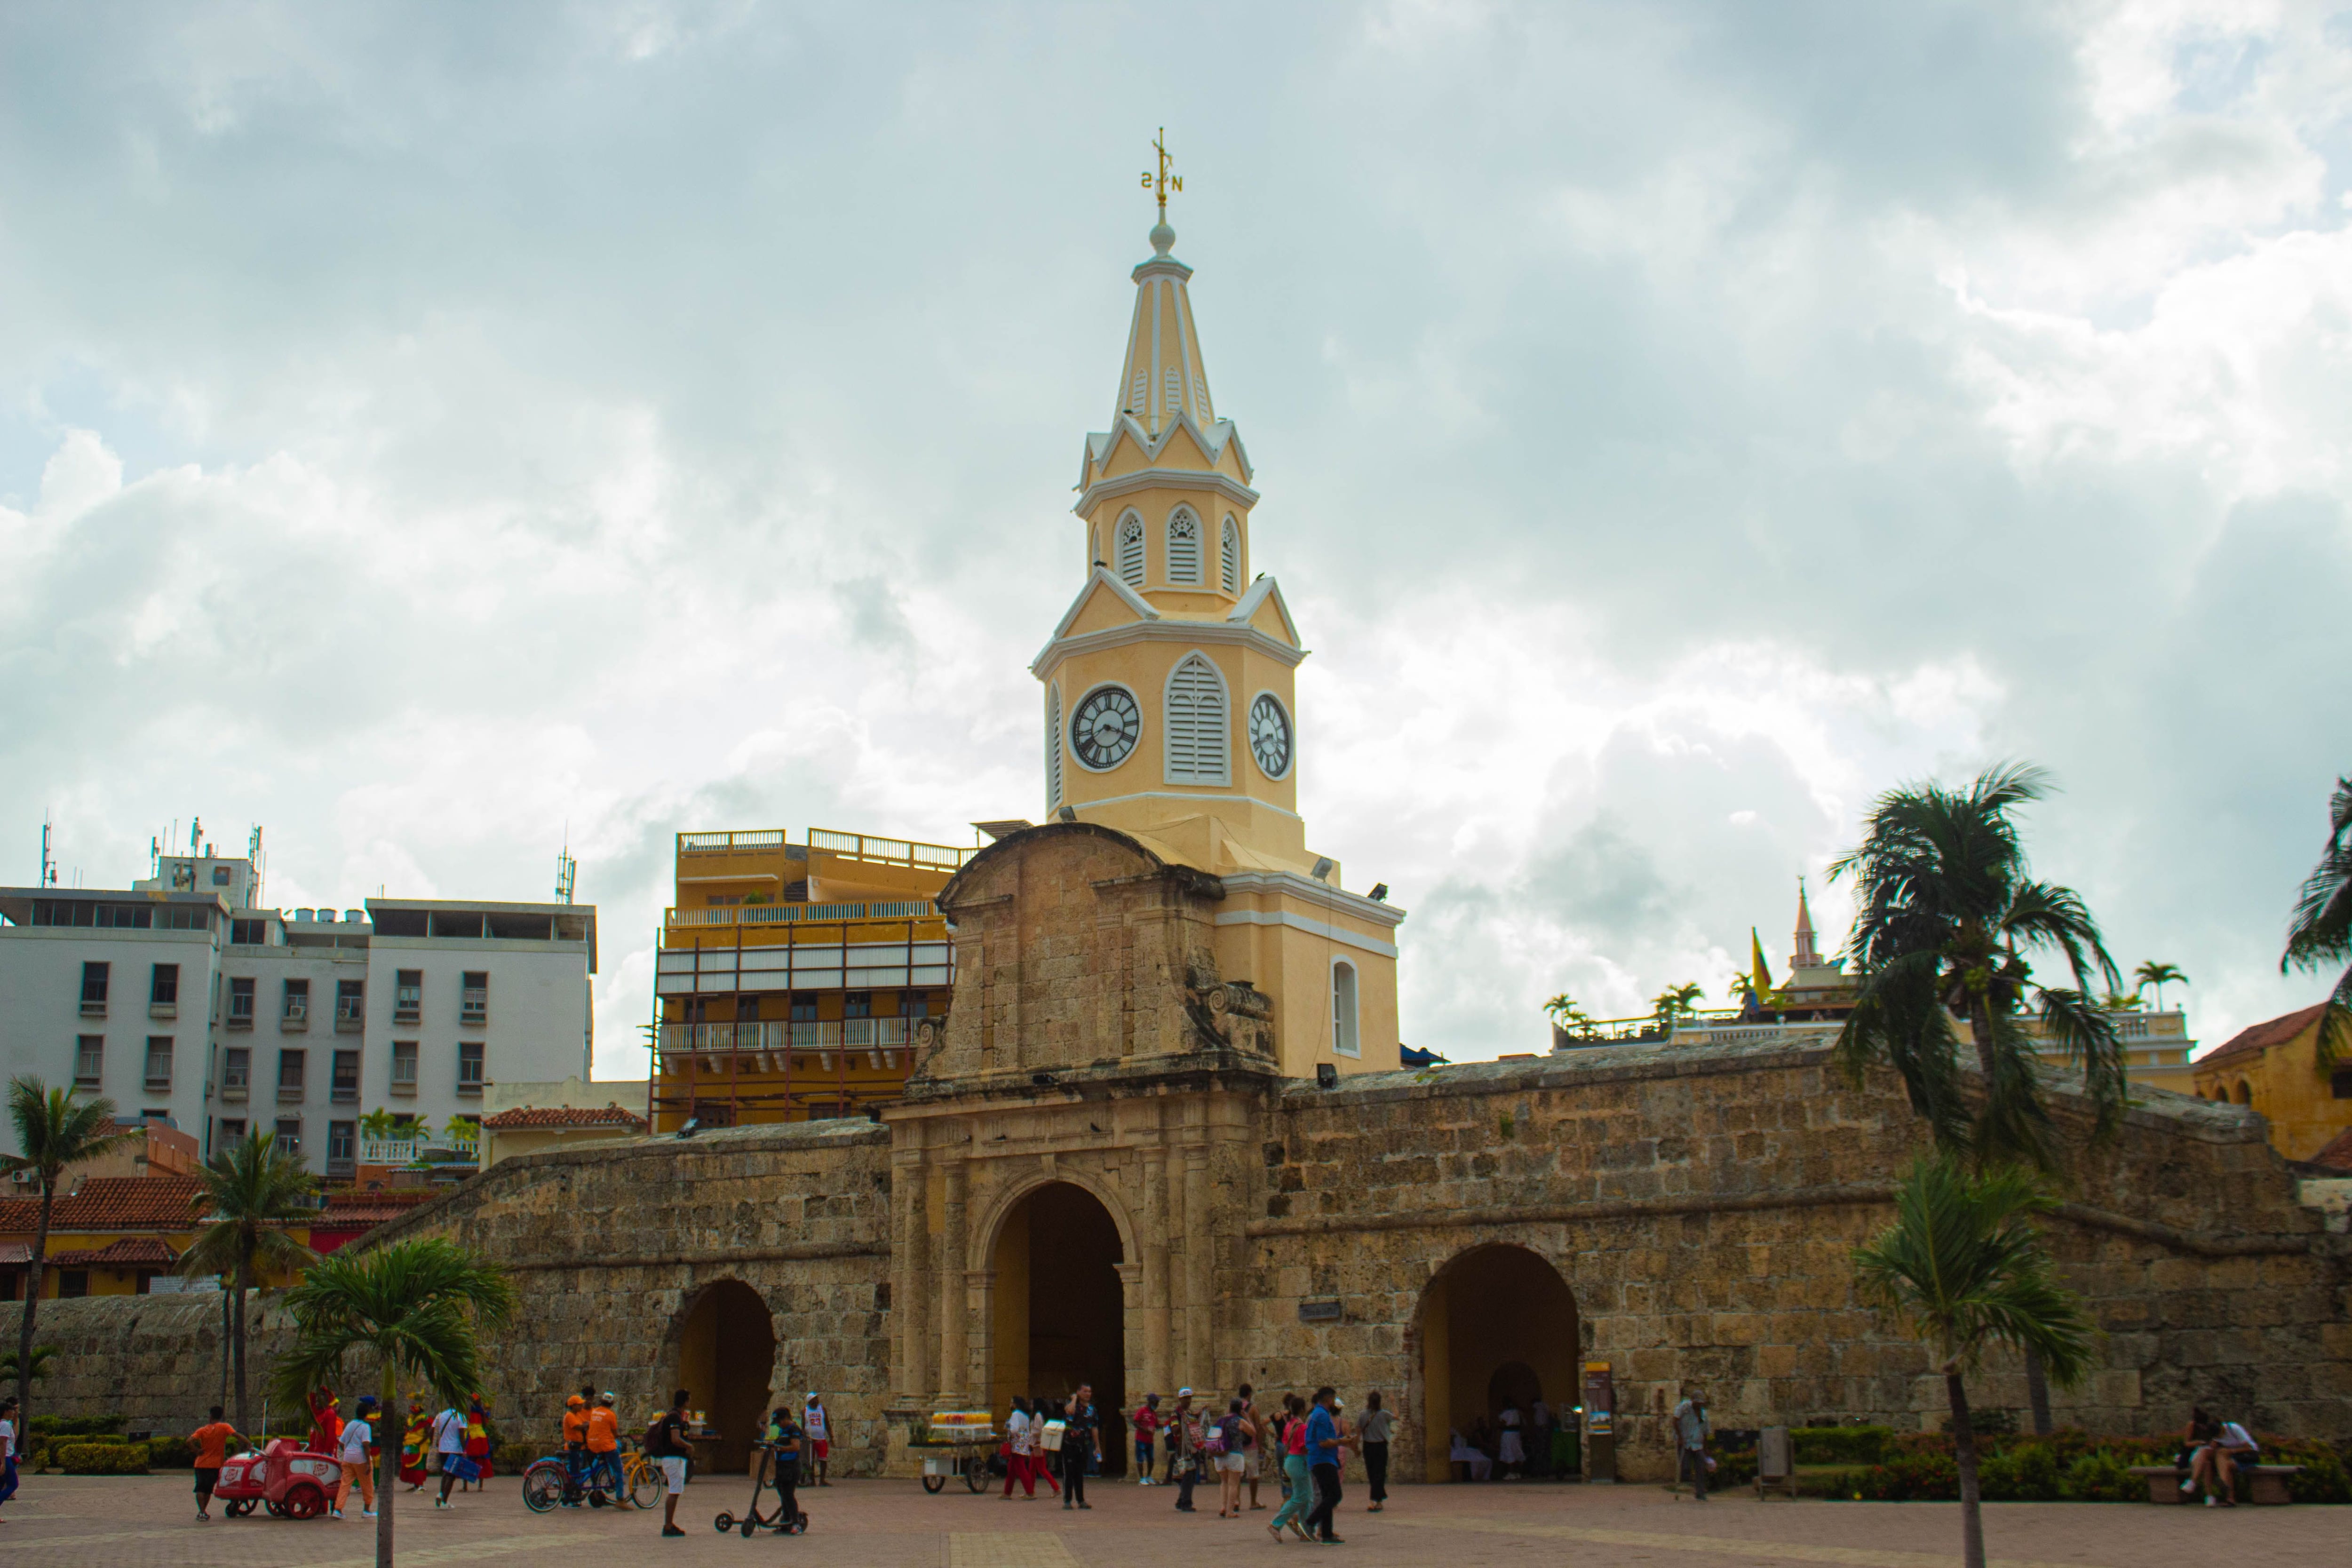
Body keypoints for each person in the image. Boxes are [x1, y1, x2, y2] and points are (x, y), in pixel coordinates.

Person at [1302, 1387, 1347, 1545]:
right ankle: (1310, 1522)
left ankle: (1327, 1534)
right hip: (1323, 1460)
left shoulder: (1317, 1414)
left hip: (1320, 1460)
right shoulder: (1321, 1416)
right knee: (1335, 1495)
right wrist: (1342, 1441)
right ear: (1329, 1399)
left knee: (1328, 1495)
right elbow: (1323, 1442)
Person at [1268, 1395, 1315, 1542]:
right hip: (1299, 1461)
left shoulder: (1289, 1425)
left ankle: (1305, 1531)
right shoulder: (1302, 1427)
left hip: (1291, 1461)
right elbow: (1305, 1447)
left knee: (1306, 1498)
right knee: (1301, 1498)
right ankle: (1276, 1524)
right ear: (1302, 1409)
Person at [649, 1387, 693, 1538]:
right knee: (674, 1492)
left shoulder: (673, 1415)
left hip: (671, 1458)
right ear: (686, 1401)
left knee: (675, 1491)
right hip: (674, 1459)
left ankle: (669, 1524)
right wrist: (689, 1446)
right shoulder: (675, 1417)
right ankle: (668, 1525)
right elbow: (675, 1439)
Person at [333, 1395, 378, 1520]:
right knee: (368, 1484)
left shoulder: (350, 1424)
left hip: (348, 1458)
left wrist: (348, 1451)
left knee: (345, 1484)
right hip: (361, 1459)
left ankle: (338, 1509)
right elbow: (366, 1445)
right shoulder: (365, 1427)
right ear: (367, 1413)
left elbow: (341, 1443)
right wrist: (368, 1463)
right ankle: (367, 1510)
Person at [191, 1402, 236, 1521]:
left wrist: (197, 1451)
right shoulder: (225, 1427)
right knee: (208, 1489)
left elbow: (189, 1441)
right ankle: (203, 1511)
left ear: (210, 1416)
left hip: (201, 1463)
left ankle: (202, 1512)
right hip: (216, 1464)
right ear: (221, 1416)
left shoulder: (202, 1430)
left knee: (200, 1488)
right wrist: (248, 1443)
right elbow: (236, 1435)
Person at [764, 1404, 804, 1530]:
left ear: (786, 1418)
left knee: (788, 1494)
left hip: (791, 1466)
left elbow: (796, 1446)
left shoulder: (794, 1430)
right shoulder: (783, 1431)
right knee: (782, 1494)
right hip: (781, 1466)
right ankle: (786, 1521)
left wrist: (780, 1448)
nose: (779, 1425)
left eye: (780, 1421)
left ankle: (796, 1523)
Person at [1059, 1385, 1097, 1511]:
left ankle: (1081, 1500)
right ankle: (1068, 1500)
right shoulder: (1072, 1405)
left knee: (1079, 1473)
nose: (1088, 1394)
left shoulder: (1092, 1409)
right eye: (1085, 1391)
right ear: (1079, 1392)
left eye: (1090, 1392)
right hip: (1069, 1443)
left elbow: (1094, 1427)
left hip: (1084, 1444)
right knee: (1069, 1472)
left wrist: (1097, 1446)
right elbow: (1069, 1411)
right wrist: (1074, 1399)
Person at [1215, 1397, 1250, 1518]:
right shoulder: (1239, 1421)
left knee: (1224, 1482)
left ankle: (1223, 1507)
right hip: (1235, 1454)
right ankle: (1230, 1511)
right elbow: (1253, 1432)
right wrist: (1247, 1417)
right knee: (1233, 1484)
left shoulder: (1221, 1420)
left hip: (1220, 1455)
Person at [1672, 1387, 1709, 1501]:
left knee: (1701, 1467)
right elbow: (1675, 1420)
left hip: (1697, 1443)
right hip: (1685, 1442)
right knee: (1685, 1468)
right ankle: (1686, 1482)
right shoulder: (1684, 1407)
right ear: (1693, 1401)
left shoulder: (1704, 1414)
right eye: (1697, 1403)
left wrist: (1706, 1449)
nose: (1698, 1406)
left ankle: (1700, 1492)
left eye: (1700, 1404)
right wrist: (1680, 1437)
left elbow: (1706, 1432)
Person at [586, 1392, 623, 1503]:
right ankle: (620, 1498)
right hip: (606, 1446)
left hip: (592, 1444)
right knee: (619, 1470)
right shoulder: (611, 1415)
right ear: (612, 1403)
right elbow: (615, 1433)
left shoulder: (594, 1412)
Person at [430, 1401, 469, 1508]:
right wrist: (465, 1450)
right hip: (455, 1450)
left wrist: (435, 1444)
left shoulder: (441, 1415)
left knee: (446, 1472)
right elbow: (462, 1435)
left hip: (443, 1449)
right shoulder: (460, 1416)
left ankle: (441, 1494)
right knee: (451, 1476)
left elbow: (432, 1430)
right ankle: (444, 1501)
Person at [1359, 1391, 1393, 1512]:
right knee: (1380, 1473)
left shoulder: (1363, 1415)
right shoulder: (1384, 1414)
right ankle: (1376, 1500)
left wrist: (1356, 1448)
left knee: (1372, 1473)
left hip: (1368, 1446)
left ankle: (1377, 1500)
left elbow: (1359, 1431)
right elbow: (1397, 1416)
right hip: (1380, 1446)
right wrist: (1393, 1402)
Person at [1170, 1391, 1203, 1512]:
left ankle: (1181, 1501)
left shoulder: (1189, 1413)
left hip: (1192, 1448)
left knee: (1190, 1476)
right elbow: (1175, 1430)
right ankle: (1186, 1503)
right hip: (1183, 1450)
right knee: (1187, 1476)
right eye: (1186, 1399)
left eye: (1190, 1398)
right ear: (1180, 1399)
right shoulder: (1176, 1414)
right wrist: (1184, 1422)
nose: (1188, 1401)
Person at [1237, 1382, 1266, 1511]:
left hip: (1237, 1446)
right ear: (1249, 1394)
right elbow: (1258, 1427)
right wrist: (1260, 1445)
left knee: (1237, 1474)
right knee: (1253, 1475)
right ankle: (1253, 1501)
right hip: (1251, 1445)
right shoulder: (1253, 1408)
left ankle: (1236, 1500)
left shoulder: (1234, 1407)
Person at [1001, 1396, 1036, 1500]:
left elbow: (1014, 1430)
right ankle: (1007, 1493)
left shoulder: (1015, 1414)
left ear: (1015, 1404)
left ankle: (1030, 1492)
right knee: (1012, 1469)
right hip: (1024, 1443)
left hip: (1017, 1444)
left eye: (1012, 1402)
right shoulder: (1025, 1416)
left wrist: (1008, 1427)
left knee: (1021, 1469)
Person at [561, 1393, 591, 1503]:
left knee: (578, 1470)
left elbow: (584, 1422)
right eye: (579, 1405)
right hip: (572, 1448)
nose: (581, 1406)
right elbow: (578, 1426)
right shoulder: (570, 1416)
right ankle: (570, 1496)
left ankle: (575, 1494)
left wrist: (589, 1423)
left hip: (579, 1447)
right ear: (573, 1406)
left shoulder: (577, 1415)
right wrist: (588, 1425)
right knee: (574, 1472)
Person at [398, 1400, 429, 1489]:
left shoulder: (424, 1419)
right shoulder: (410, 1419)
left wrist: (419, 1443)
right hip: (409, 1445)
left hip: (420, 1446)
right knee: (410, 1464)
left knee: (419, 1464)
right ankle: (416, 1484)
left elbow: (428, 1433)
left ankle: (420, 1484)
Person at [803, 1393, 832, 1487]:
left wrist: (831, 1436)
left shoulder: (822, 1410)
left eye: (817, 1399)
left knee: (823, 1459)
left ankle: (822, 1480)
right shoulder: (805, 1411)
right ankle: (812, 1480)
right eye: (815, 1399)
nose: (817, 1401)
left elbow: (827, 1423)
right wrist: (805, 1437)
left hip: (821, 1438)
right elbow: (803, 1426)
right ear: (810, 1401)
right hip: (810, 1439)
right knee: (811, 1460)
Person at [1132, 1393, 1160, 1484]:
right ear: (1151, 1402)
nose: (1157, 1404)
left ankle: (1148, 1476)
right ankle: (1142, 1478)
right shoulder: (1142, 1411)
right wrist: (1145, 1430)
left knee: (1151, 1459)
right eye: (1156, 1402)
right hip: (1141, 1439)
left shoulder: (1154, 1414)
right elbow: (1135, 1422)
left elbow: (1157, 1425)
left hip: (1150, 1440)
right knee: (1141, 1458)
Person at [1496, 1400, 1525, 1479]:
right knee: (1517, 1451)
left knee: (1509, 1452)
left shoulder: (1505, 1414)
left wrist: (1498, 1427)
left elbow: (1502, 1424)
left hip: (1508, 1434)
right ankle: (1518, 1473)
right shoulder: (1518, 1412)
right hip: (1516, 1434)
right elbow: (1522, 1423)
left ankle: (1511, 1473)